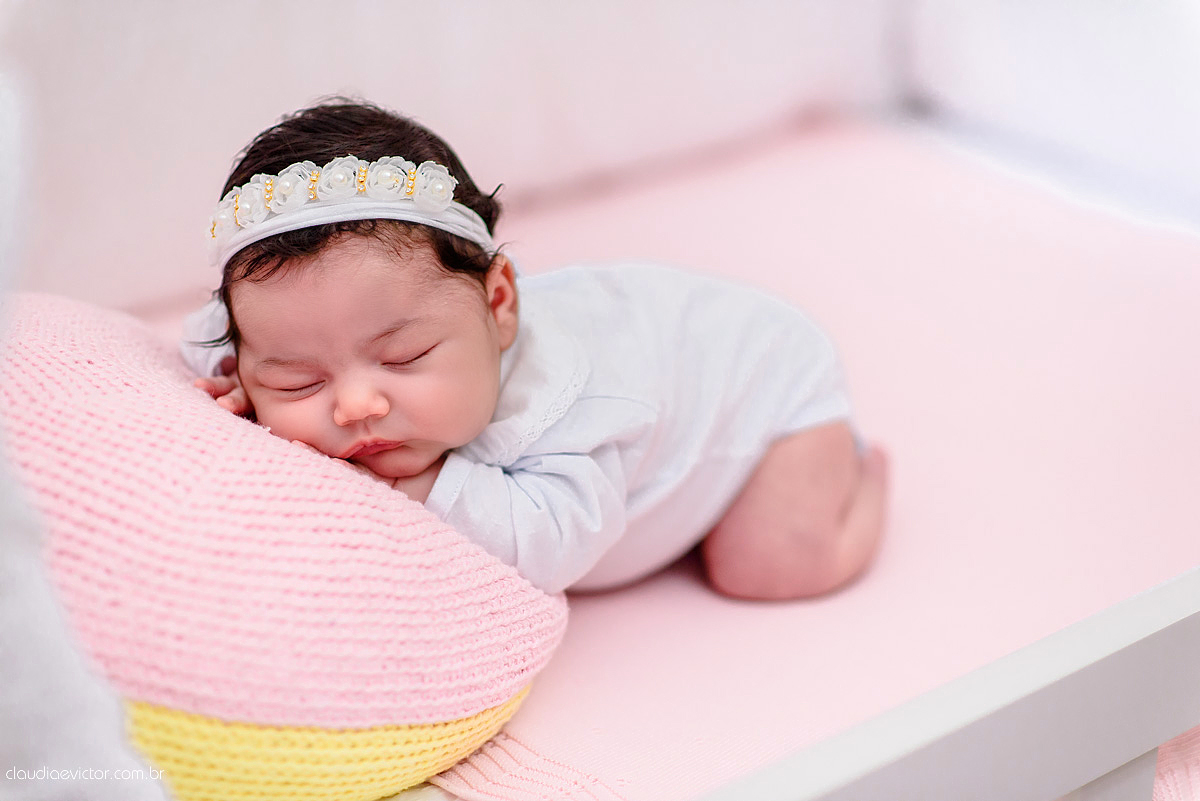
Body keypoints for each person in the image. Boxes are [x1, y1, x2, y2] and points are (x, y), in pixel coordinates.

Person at [185, 100, 888, 599]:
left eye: (402, 359)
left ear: (498, 308)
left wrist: (420, 486)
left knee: (763, 566)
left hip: (765, 390)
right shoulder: (279, 335)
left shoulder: (571, 403)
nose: (355, 403)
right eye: (299, 378)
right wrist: (245, 387)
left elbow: (557, 544)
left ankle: (862, 487)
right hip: (683, 340)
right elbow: (209, 344)